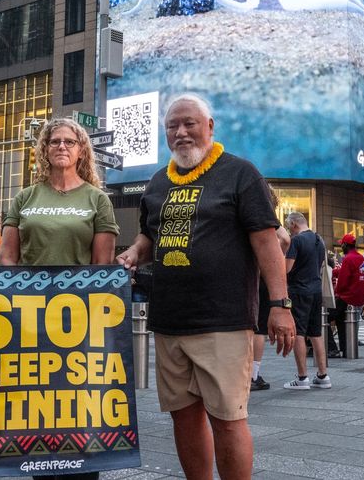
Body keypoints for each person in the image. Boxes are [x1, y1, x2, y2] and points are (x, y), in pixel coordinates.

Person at [115, 93, 293, 480]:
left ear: (209, 127)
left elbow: (267, 242)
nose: (180, 133)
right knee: (183, 417)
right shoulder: (158, 181)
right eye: (172, 127)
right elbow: (150, 238)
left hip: (223, 321)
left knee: (228, 418)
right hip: (169, 321)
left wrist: (280, 304)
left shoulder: (241, 173)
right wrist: (131, 254)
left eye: (189, 124)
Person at [0, 117, 117, 480]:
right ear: (44, 150)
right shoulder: (25, 197)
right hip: (31, 319)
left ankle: (84, 470)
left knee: (81, 402)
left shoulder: (96, 199)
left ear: (82, 150)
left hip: (79, 321)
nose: (62, 146)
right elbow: (7, 258)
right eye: (54, 142)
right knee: (39, 402)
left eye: (70, 141)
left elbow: (102, 266)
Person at [281, 212, 331, 390]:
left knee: (299, 334)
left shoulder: (297, 241)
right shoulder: (319, 240)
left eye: (289, 226)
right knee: (316, 333)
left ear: (294, 223)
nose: (289, 230)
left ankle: (302, 378)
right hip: (316, 290)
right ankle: (323, 375)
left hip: (299, 291)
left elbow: (286, 269)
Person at [251, 185, 291, 392]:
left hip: (246, 279)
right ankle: (253, 374)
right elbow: (285, 239)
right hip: (262, 279)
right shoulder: (268, 222)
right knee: (258, 329)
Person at [332, 233, 364, 356]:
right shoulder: (360, 258)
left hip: (346, 297)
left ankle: (332, 348)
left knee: (324, 318)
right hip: (358, 298)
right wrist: (333, 271)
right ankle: (345, 349)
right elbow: (350, 273)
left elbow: (343, 281)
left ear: (346, 245)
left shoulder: (347, 258)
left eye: (342, 244)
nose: (341, 246)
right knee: (341, 321)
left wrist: (336, 293)